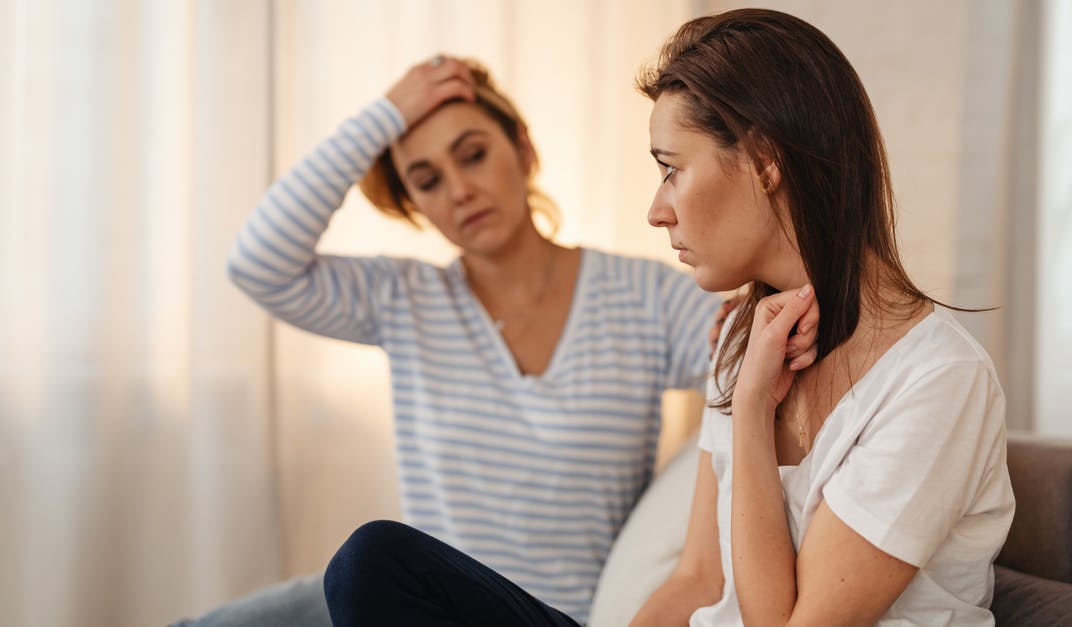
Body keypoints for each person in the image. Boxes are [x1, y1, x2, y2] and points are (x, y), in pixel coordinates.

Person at [323, 8, 1015, 627]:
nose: (657, 210)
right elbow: (697, 580)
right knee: (374, 561)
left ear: (764, 160)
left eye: (671, 169)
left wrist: (749, 412)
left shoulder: (937, 380)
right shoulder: (746, 336)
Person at [179, 55, 739, 626]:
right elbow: (258, 264)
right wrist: (384, 116)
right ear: (413, 204)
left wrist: (751, 330)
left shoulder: (642, 298)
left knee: (366, 555)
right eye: (427, 180)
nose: (461, 190)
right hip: (420, 604)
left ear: (522, 150)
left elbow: (749, 345)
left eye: (473, 155)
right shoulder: (403, 299)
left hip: (545, 615)